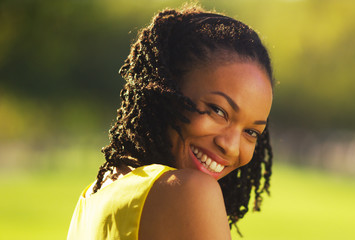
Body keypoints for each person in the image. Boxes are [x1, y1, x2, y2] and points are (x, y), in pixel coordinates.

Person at [67, 4, 274, 240]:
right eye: (218, 110)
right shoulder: (191, 191)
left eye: (251, 132)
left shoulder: (94, 196)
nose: (231, 146)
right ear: (166, 89)